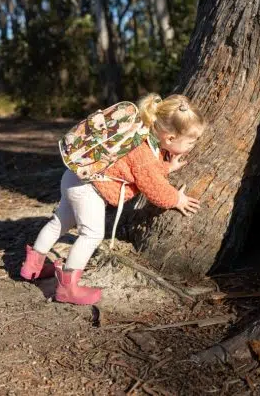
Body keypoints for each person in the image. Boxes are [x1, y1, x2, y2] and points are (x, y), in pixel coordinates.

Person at [20, 93, 206, 305]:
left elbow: (143, 171)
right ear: (170, 138)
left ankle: (32, 266)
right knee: (92, 234)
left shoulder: (139, 132)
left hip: (74, 176)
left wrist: (167, 167)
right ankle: (67, 288)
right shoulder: (144, 152)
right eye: (191, 141)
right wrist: (177, 200)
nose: (193, 145)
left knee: (59, 223)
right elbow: (154, 187)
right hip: (90, 190)